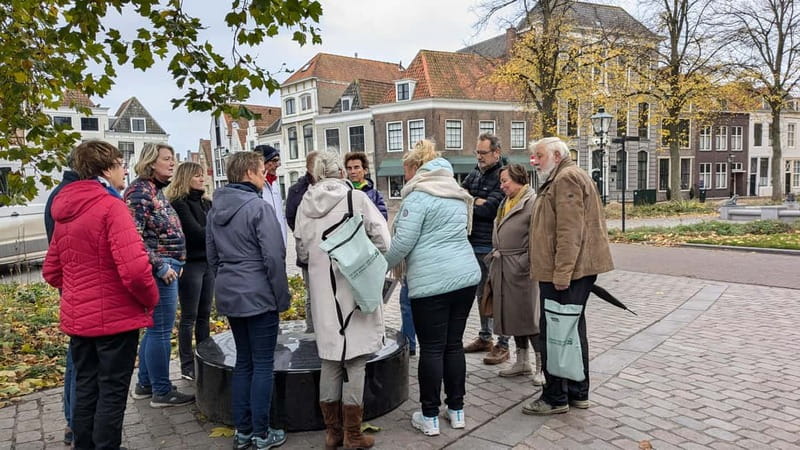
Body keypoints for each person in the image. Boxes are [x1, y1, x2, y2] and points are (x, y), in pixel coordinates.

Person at [43, 140, 159, 449]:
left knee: (85, 388)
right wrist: (151, 299)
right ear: (106, 168)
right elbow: (135, 271)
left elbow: (52, 271)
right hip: (116, 321)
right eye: (121, 164)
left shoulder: (63, 211)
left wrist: (79, 292)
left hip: (80, 320)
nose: (124, 170)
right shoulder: (111, 206)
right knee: (111, 392)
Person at [294, 150, 390, 450]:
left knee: (330, 360)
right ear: (341, 173)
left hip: (323, 292)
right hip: (354, 286)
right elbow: (384, 240)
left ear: (317, 174)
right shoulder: (356, 200)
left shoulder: (304, 206)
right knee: (357, 359)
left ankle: (332, 432)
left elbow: (302, 253)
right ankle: (353, 435)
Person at [384, 140, 480, 437]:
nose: (405, 179)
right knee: (453, 346)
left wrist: (379, 264)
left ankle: (429, 416)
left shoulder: (418, 196)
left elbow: (402, 243)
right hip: (465, 277)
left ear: (416, 168)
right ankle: (457, 410)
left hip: (432, 283)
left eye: (405, 171)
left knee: (432, 349)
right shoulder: (455, 192)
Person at [523, 137, 614, 415]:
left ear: (557, 155)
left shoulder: (565, 180)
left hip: (565, 274)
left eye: (538, 155)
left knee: (555, 333)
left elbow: (569, 232)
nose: (533, 161)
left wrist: (562, 273)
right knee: (571, 331)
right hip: (571, 272)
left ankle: (555, 397)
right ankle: (577, 392)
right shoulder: (565, 177)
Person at [206, 151, 290, 449]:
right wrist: (281, 297)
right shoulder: (259, 207)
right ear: (251, 173)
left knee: (244, 362)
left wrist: (227, 284)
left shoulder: (215, 209)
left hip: (232, 292)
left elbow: (212, 257)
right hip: (259, 294)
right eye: (260, 170)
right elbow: (274, 257)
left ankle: (242, 432)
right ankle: (262, 432)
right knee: (263, 363)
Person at [124, 142, 193, 407]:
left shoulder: (155, 190)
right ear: (152, 162)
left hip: (170, 265)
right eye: (167, 158)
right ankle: (162, 391)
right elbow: (134, 237)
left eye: (173, 157)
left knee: (156, 329)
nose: (172, 163)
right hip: (160, 270)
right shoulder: (140, 192)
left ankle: (145, 384)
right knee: (160, 331)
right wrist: (160, 265)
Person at [488, 164, 544, 384]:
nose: (501, 186)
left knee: (530, 318)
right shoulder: (506, 202)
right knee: (513, 316)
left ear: (519, 179)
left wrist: (525, 263)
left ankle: (542, 366)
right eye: (501, 181)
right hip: (504, 267)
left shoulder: (532, 202)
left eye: (505, 181)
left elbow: (537, 238)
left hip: (522, 270)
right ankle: (522, 361)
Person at [462, 133, 510, 365]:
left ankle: (503, 343)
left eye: (483, 153)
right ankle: (485, 337)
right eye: (477, 153)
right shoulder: (473, 174)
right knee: (482, 295)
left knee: (498, 295)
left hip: (492, 246)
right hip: (472, 244)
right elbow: (459, 199)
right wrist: (474, 200)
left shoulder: (504, 176)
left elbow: (490, 209)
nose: (479, 157)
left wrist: (474, 201)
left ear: (496, 153)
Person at [43, 151, 79, 446]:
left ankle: (73, 419)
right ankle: (76, 422)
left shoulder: (60, 195)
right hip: (84, 292)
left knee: (77, 358)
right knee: (81, 361)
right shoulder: (71, 199)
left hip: (75, 290)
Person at [167, 162, 214, 381]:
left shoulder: (206, 203)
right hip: (191, 264)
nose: (201, 179)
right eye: (197, 176)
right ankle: (186, 364)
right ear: (186, 178)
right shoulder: (179, 204)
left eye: (202, 175)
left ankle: (205, 358)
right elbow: (196, 233)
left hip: (207, 263)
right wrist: (213, 231)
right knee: (189, 316)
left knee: (205, 314)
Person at [285, 150, 318, 333]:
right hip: (307, 251)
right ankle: (312, 330)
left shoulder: (331, 186)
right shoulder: (296, 190)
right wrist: (304, 235)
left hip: (329, 252)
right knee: (311, 295)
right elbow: (290, 217)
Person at [255, 144, 287, 243]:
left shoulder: (274, 185)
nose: (277, 164)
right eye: (274, 161)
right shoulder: (255, 189)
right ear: (262, 163)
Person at [344, 151, 388, 219]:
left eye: (356, 167)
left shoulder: (375, 195)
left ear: (365, 170)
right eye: (349, 168)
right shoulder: (343, 192)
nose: (352, 171)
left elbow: (383, 218)